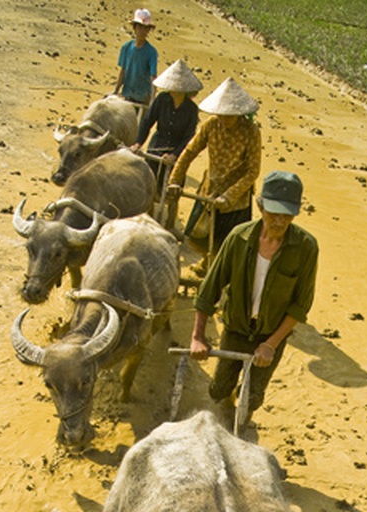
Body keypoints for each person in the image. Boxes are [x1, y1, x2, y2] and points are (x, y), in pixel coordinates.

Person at [189, 170, 318, 419]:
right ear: (260, 206)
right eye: (274, 214)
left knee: (252, 397)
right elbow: (209, 289)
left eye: (287, 215)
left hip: (271, 333)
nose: (279, 222)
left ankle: (243, 416)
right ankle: (226, 406)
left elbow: (300, 306)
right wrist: (197, 336)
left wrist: (270, 344)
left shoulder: (306, 248)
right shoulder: (239, 238)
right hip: (236, 328)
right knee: (218, 390)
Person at [167, 76, 261, 277]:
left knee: (229, 242)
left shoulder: (251, 132)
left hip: (236, 199)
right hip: (210, 189)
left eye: (229, 115)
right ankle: (207, 261)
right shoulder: (211, 125)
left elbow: (253, 171)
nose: (224, 119)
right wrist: (175, 180)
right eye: (221, 114)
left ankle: (219, 274)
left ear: (239, 113)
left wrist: (230, 195)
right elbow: (190, 152)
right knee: (196, 236)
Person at [131, 59, 201, 191]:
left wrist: (174, 155)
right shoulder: (162, 99)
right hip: (156, 148)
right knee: (146, 186)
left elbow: (189, 137)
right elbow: (147, 121)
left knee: (171, 192)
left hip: (176, 153)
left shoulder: (191, 109)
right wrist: (138, 143)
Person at [113, 9, 158, 107]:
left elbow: (153, 77)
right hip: (127, 95)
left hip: (143, 98)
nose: (143, 31)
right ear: (135, 28)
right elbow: (123, 71)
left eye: (146, 28)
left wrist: (152, 99)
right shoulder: (126, 48)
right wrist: (116, 90)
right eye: (140, 27)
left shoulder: (151, 52)